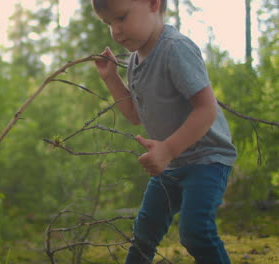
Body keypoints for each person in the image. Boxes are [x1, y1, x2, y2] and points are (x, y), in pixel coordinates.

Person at [91, 0, 237, 263]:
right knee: (144, 234)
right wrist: (111, 78)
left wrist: (167, 149)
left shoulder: (175, 48)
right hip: (171, 166)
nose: (116, 31)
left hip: (207, 159)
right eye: (108, 23)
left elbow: (207, 109)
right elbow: (135, 115)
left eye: (121, 18)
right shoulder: (135, 61)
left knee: (195, 232)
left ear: (153, 4)